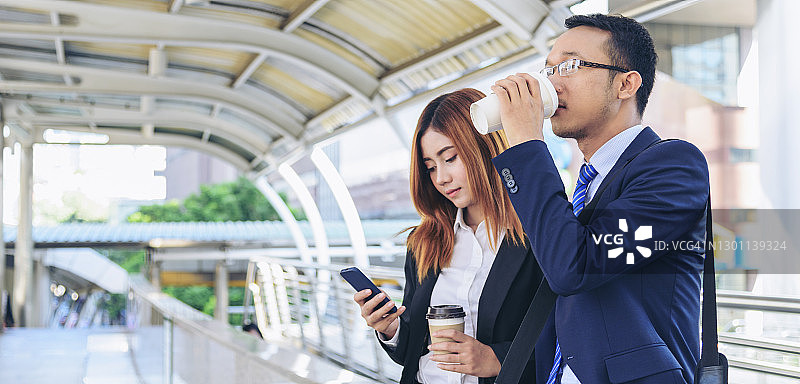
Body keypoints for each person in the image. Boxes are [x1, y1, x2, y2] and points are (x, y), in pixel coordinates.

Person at [490, 13, 709, 384]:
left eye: (570, 66)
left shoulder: (674, 165)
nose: (552, 83)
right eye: (549, 70)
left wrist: (527, 144)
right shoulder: (582, 184)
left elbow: (573, 265)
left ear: (626, 84)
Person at [353, 88, 550, 384]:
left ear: (484, 147)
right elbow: (412, 349)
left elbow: (563, 338)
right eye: (430, 167)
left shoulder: (535, 233)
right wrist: (390, 328)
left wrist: (496, 359)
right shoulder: (425, 242)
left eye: (451, 158)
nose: (441, 178)